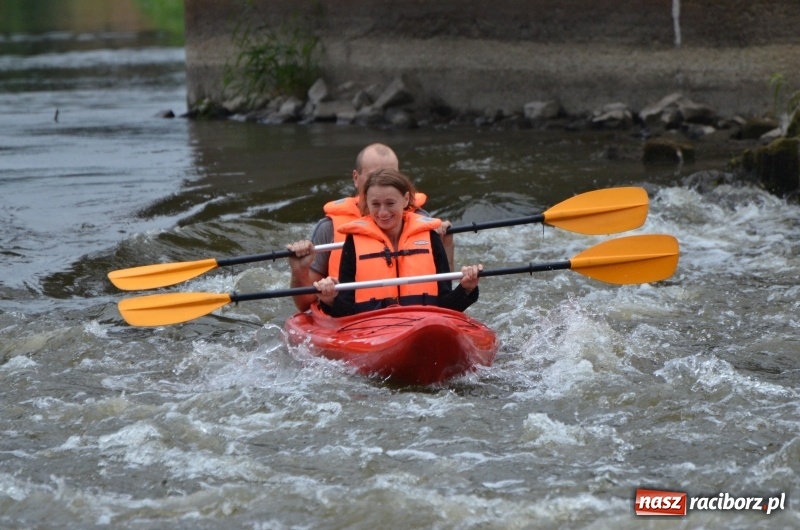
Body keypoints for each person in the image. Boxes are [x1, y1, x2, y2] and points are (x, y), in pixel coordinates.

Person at [287, 143, 453, 311]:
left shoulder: (422, 220)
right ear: (356, 179)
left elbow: (443, 291)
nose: (382, 182)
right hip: (356, 318)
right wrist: (299, 273)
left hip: (415, 314)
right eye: (374, 175)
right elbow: (306, 305)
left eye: (390, 175)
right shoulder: (329, 228)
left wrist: (446, 244)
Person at [311, 168, 482, 317]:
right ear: (367, 203)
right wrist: (329, 300)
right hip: (372, 331)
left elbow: (446, 306)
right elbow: (346, 312)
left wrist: (466, 288)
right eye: (375, 204)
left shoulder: (429, 236)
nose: (383, 212)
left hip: (425, 323)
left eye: (390, 203)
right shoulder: (353, 242)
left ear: (406, 199)